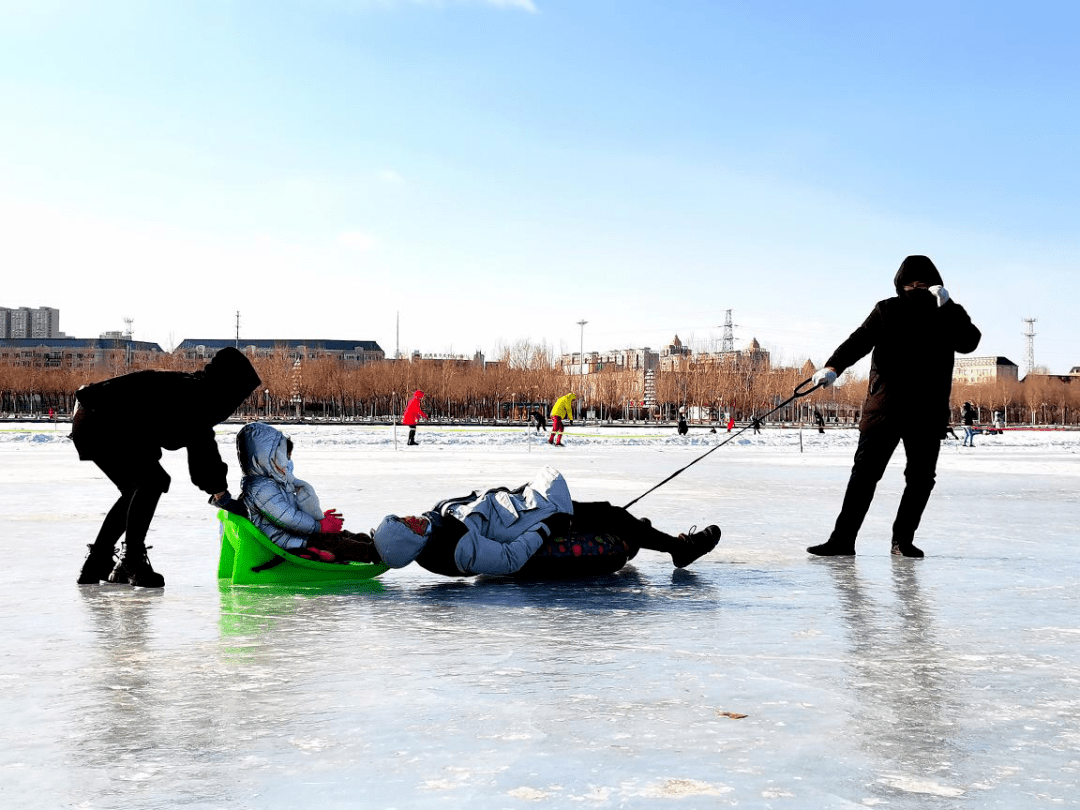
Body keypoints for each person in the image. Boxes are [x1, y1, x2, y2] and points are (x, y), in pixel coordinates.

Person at [806, 255, 981, 559]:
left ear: (935, 284)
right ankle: (842, 540)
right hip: (884, 409)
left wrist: (948, 308)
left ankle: (903, 540)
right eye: (910, 282)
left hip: (926, 412)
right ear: (901, 284)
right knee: (864, 475)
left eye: (923, 283)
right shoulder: (887, 309)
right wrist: (833, 366)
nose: (916, 287)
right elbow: (858, 341)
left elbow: (969, 342)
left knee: (921, 479)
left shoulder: (947, 312)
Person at [71, 347, 261, 587]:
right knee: (151, 481)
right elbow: (203, 452)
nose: (239, 401)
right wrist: (221, 494)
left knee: (137, 488)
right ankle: (132, 562)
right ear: (228, 384)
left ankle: (97, 562)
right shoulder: (199, 395)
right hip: (101, 421)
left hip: (92, 420)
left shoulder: (191, 387)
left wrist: (217, 489)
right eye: (240, 394)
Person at [370, 465, 721, 578]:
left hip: (519, 507)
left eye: (404, 517)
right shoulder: (454, 548)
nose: (412, 519)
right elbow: (508, 559)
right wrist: (547, 527)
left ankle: (639, 534)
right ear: (411, 543)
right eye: (408, 526)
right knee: (610, 514)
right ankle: (679, 550)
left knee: (608, 514)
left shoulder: (431, 526)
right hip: (530, 523)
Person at [235, 422, 379, 562]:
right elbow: (287, 517)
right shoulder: (261, 488)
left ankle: (368, 542)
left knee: (339, 535)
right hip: (288, 542)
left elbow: (288, 512)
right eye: (280, 455)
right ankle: (373, 552)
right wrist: (319, 526)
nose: (285, 462)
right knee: (332, 542)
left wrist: (317, 519)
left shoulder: (269, 482)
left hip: (291, 535)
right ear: (263, 458)